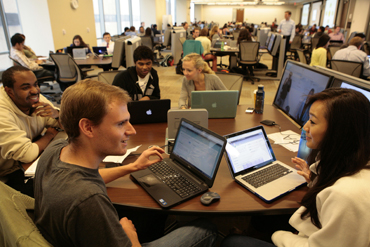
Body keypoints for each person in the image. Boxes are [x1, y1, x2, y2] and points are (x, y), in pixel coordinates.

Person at [33, 79, 218, 247]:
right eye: (121, 124)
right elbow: (87, 192)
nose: (132, 131)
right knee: (205, 229)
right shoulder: (89, 201)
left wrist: (133, 166)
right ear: (88, 127)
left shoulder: (55, 149)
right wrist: (129, 234)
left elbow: (90, 177)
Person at [221, 87, 370, 247]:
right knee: (266, 212)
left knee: (232, 242)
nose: (305, 127)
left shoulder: (346, 196)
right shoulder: (353, 160)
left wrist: (279, 236)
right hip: (314, 230)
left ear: (339, 132)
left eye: (312, 122)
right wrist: (314, 181)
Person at [0, 66, 61, 197]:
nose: (35, 91)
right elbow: (26, 154)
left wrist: (57, 115)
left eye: (36, 84)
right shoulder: (2, 112)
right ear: (9, 91)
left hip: (30, 162)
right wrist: (49, 135)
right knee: (58, 188)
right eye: (25, 87)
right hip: (8, 173)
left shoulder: (34, 99)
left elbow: (63, 124)